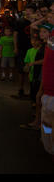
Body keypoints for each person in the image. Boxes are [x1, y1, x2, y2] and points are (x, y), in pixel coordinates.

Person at [39, 12, 54, 158]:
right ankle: (49, 147)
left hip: (52, 93)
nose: (48, 17)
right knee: (47, 123)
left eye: (51, 14)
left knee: (48, 123)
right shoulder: (51, 39)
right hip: (48, 91)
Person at [13, 4, 36, 97]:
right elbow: (15, 34)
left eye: (30, 10)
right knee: (21, 70)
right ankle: (21, 89)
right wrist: (15, 47)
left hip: (33, 49)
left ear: (34, 12)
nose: (28, 12)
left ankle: (32, 90)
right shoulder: (20, 21)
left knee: (32, 70)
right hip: (22, 48)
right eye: (27, 10)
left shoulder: (36, 22)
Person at [24, 36, 42, 102]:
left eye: (35, 41)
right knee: (32, 86)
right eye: (32, 40)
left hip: (39, 72)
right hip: (32, 72)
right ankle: (33, 100)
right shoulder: (29, 51)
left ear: (40, 42)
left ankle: (37, 100)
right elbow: (27, 62)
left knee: (38, 86)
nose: (33, 42)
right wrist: (27, 70)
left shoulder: (40, 51)